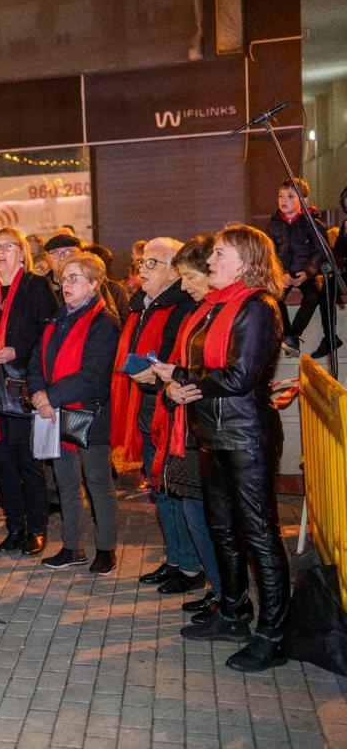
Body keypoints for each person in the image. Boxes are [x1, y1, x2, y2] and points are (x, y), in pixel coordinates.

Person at [153, 224, 288, 673]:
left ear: (247, 260)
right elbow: (198, 366)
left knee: (260, 536)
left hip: (247, 435)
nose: (210, 262)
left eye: (220, 255)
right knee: (223, 530)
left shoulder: (258, 307)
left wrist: (186, 383)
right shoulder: (213, 306)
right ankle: (233, 614)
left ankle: (273, 633)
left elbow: (241, 374)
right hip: (212, 433)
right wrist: (176, 381)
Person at [111, 238, 205, 596]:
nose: (142, 270)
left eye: (152, 263)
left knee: (175, 491)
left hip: (169, 409)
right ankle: (176, 558)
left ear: (173, 272)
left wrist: (155, 374)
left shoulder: (180, 305)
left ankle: (191, 566)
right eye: (141, 262)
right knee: (160, 490)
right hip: (147, 406)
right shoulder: (141, 304)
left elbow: (174, 355)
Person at [143, 237, 224, 622]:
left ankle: (226, 598)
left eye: (189, 276)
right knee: (192, 511)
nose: (186, 284)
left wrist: (176, 377)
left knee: (210, 519)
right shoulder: (201, 310)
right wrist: (172, 380)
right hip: (188, 423)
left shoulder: (233, 311)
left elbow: (227, 372)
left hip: (211, 428)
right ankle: (218, 591)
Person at [0, 227, 57, 556]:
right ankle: (15, 526)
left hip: (23, 388)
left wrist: (16, 350)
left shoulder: (36, 286)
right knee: (2, 463)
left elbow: (47, 334)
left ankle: (37, 528)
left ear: (21, 252)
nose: (0, 252)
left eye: (8, 246)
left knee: (28, 464)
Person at [28, 252, 120, 575]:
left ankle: (106, 549)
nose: (66, 284)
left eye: (75, 278)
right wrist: (39, 395)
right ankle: (72, 547)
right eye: (64, 278)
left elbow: (93, 376)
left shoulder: (105, 323)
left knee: (98, 484)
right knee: (66, 483)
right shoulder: (56, 319)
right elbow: (36, 361)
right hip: (55, 413)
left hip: (89, 415)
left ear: (94, 284)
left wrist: (48, 396)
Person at [267, 177, 337, 358]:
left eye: (290, 196)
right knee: (275, 297)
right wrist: (280, 274)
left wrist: (308, 272)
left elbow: (321, 250)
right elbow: (270, 251)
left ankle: (293, 334)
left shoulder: (311, 223)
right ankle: (288, 334)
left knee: (313, 295)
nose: (284, 200)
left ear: (303, 201)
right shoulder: (274, 225)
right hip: (283, 272)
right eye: (281, 196)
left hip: (306, 271)